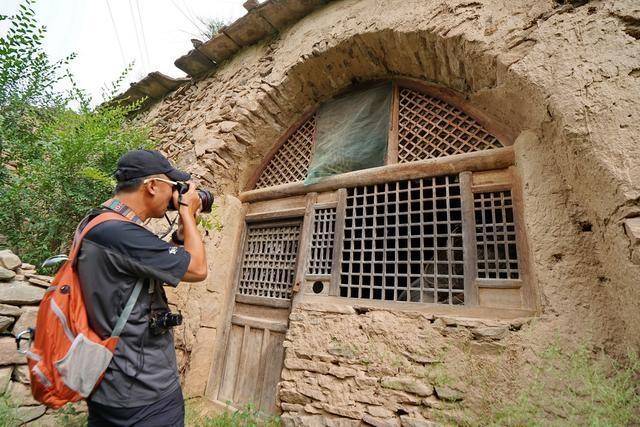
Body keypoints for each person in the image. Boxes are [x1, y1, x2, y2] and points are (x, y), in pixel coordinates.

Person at [75, 149, 208, 426]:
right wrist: (187, 213)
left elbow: (150, 261)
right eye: (173, 187)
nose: (175, 195)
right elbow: (197, 269)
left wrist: (182, 233)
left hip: (109, 382)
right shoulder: (121, 234)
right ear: (151, 186)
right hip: (142, 391)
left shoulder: (98, 224)